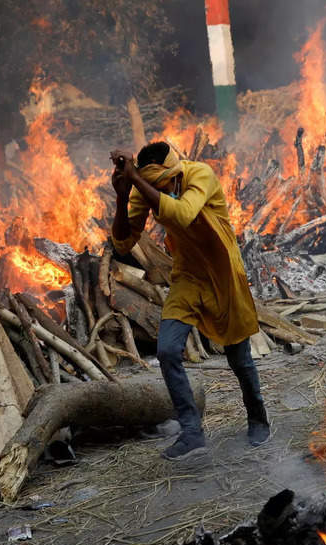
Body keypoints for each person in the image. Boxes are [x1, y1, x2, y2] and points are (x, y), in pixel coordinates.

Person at [109, 142, 269, 461]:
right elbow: (124, 243)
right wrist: (123, 195)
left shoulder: (200, 174)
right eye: (151, 185)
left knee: (239, 358)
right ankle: (192, 433)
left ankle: (257, 418)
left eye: (161, 184)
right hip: (188, 276)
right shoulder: (145, 187)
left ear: (172, 172)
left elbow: (182, 214)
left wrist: (138, 180)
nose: (156, 190)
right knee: (167, 350)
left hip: (223, 273)